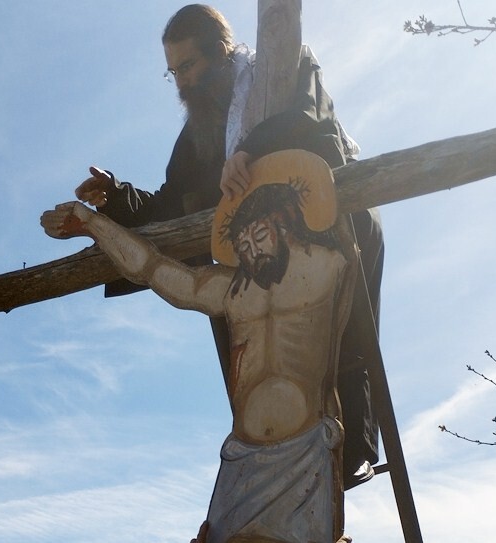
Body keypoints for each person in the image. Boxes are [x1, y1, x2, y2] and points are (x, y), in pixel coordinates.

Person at [73, 3, 383, 489]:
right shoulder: (197, 133)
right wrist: (115, 196)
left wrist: (252, 147)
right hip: (254, 257)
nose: (181, 82)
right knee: (253, 370)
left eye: (189, 66)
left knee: (338, 345)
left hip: (327, 234)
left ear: (220, 52)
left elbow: (316, 127)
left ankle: (350, 456)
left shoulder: (282, 67)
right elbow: (171, 205)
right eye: (172, 72)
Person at [43, 150, 355, 543]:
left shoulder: (329, 267)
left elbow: (343, 208)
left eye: (259, 237)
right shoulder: (234, 290)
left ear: (284, 223)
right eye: (242, 244)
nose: (252, 252)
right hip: (242, 457)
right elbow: (153, 270)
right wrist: (94, 225)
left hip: (305, 451)